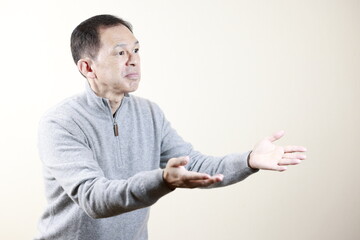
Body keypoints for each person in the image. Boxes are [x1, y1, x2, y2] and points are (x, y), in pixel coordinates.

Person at [34, 14, 307, 240]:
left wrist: (249, 160)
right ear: (87, 67)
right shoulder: (60, 123)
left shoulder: (149, 113)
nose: (133, 60)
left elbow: (195, 165)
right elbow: (93, 198)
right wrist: (162, 180)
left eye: (136, 50)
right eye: (120, 52)